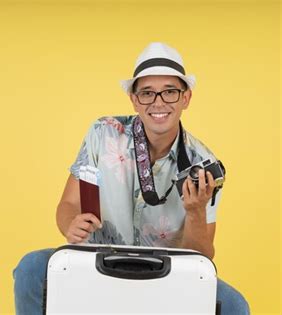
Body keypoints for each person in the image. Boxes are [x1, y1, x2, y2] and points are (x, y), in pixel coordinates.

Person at [13, 42, 250, 315]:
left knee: (234, 306)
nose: (158, 102)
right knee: (31, 268)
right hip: (96, 263)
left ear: (186, 98)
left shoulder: (201, 163)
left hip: (164, 275)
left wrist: (195, 211)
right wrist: (71, 223)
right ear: (134, 99)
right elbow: (67, 204)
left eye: (170, 92)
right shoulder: (103, 133)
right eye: (147, 93)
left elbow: (201, 261)